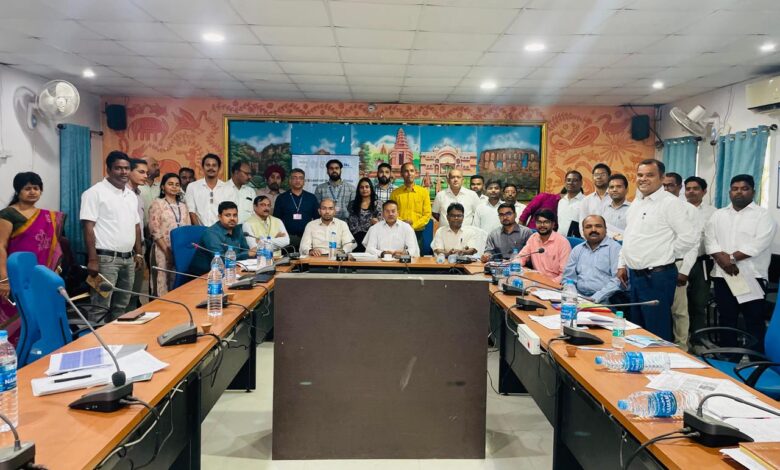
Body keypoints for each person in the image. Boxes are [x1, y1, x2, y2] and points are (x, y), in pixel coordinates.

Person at [616, 159, 698, 342]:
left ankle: (660, 360)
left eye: (650, 175)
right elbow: (629, 236)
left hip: (657, 276)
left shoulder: (670, 203)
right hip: (635, 275)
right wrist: (622, 263)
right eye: (640, 175)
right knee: (637, 328)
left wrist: (666, 254)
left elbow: (689, 237)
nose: (643, 179)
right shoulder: (637, 202)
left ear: (661, 178)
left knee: (656, 331)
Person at [705, 174, 777, 351]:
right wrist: (723, 260)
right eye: (735, 189)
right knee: (726, 319)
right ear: (729, 192)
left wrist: (730, 259)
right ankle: (729, 357)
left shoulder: (763, 216)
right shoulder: (718, 215)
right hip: (723, 276)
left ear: (753, 191)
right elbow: (710, 240)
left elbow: (758, 244)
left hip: (752, 277)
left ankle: (755, 359)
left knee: (753, 321)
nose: (739, 192)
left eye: (744, 189)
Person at [0, 172, 64, 346]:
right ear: (18, 191)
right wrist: (3, 279)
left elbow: (54, 247)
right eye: (27, 188)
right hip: (15, 278)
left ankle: (37, 353)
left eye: (36, 188)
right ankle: (13, 355)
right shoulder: (8, 214)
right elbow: (1, 246)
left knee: (42, 319)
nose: (32, 192)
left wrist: (55, 269)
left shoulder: (48, 217)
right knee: (17, 318)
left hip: (41, 277)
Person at [81, 151, 143, 319]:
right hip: (104, 261)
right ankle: (98, 336)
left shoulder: (131, 195)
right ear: (108, 170)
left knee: (121, 307)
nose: (123, 172)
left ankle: (116, 336)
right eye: (118, 168)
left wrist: (138, 253)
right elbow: (88, 227)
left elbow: (136, 226)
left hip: (128, 260)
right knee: (100, 307)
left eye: (127, 168)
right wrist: (92, 259)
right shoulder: (94, 193)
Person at [563, 215, 626, 304]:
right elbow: (568, 277)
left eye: (598, 226)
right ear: (583, 231)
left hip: (605, 300)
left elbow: (618, 281)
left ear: (605, 229)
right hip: (578, 298)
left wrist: (594, 298)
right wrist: (572, 296)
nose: (593, 230)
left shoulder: (615, 249)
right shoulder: (577, 249)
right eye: (588, 227)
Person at [684, 176, 717, 339]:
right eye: (688, 189)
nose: (691, 192)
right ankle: (680, 339)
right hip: (679, 262)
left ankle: (697, 340)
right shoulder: (677, 209)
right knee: (678, 305)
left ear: (704, 191)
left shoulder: (714, 213)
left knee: (698, 303)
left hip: (701, 263)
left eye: (695, 188)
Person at [148, 173, 190, 296]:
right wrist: (167, 251)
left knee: (178, 284)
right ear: (162, 187)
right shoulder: (157, 203)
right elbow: (154, 230)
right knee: (162, 283)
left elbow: (188, 229)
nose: (174, 187)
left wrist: (182, 252)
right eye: (170, 184)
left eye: (177, 184)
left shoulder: (183, 206)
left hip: (180, 251)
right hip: (162, 250)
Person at [189, 201, 256, 275]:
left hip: (230, 270)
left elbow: (246, 250)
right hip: (205, 275)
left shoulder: (238, 229)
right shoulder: (211, 234)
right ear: (219, 217)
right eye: (228, 215)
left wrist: (251, 253)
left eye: (235, 215)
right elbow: (221, 259)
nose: (232, 218)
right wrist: (247, 254)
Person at [516, 209, 571, 283]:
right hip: (536, 281)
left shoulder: (563, 243)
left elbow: (565, 275)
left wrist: (547, 284)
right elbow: (521, 257)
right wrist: (515, 265)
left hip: (553, 285)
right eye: (539, 222)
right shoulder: (533, 238)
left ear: (553, 224)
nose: (542, 225)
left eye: (546, 222)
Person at [273, 168, 319, 250]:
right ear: (290, 181)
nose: (298, 180)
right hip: (287, 238)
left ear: (304, 181)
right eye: (294, 178)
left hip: (307, 238)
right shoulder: (281, 198)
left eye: (301, 178)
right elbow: (276, 219)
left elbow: (317, 219)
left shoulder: (311, 198)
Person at [390, 162, 431, 251]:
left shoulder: (423, 192)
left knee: (417, 257)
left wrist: (413, 225)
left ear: (415, 173)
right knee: (398, 256)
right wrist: (403, 223)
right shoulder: (395, 193)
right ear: (401, 174)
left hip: (417, 232)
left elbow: (427, 215)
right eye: (406, 171)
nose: (409, 174)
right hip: (399, 232)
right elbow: (392, 213)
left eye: (412, 171)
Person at [184, 153, 231, 227]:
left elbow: (230, 212)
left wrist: (221, 231)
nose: (211, 168)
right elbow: (191, 211)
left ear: (219, 168)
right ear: (203, 167)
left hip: (221, 231)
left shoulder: (228, 188)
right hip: (200, 230)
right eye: (208, 165)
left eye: (214, 165)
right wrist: (200, 230)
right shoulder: (192, 187)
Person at [127, 158, 149, 309]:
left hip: (140, 246)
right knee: (124, 294)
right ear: (129, 171)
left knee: (135, 292)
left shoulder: (139, 196)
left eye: (146, 172)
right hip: (127, 248)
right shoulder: (122, 194)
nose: (145, 176)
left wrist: (140, 251)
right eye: (141, 172)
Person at [347, 177, 381, 252]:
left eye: (367, 187)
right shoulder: (352, 204)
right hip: (354, 240)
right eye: (361, 187)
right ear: (358, 190)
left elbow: (382, 223)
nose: (364, 189)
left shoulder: (378, 204)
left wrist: (377, 222)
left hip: (371, 240)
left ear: (371, 188)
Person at [578, 163, 611, 233]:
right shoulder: (586, 201)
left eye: (603, 174)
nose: (599, 177)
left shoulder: (615, 198)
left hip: (613, 238)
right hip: (592, 237)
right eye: (596, 175)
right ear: (593, 177)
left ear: (609, 177)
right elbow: (582, 224)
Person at [556, 170, 584, 237]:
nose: (571, 183)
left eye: (575, 180)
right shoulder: (561, 202)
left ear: (581, 183)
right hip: (560, 239)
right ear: (565, 183)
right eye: (568, 180)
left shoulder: (586, 201)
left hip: (577, 240)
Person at [603, 174, 630, 240]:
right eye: (611, 187)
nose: (614, 190)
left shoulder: (632, 209)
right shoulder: (603, 208)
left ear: (626, 189)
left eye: (619, 186)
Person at [138, 155, 160, 224]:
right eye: (154, 165)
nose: (158, 167)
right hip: (140, 227)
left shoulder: (162, 186)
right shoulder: (136, 187)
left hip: (159, 227)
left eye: (157, 165)